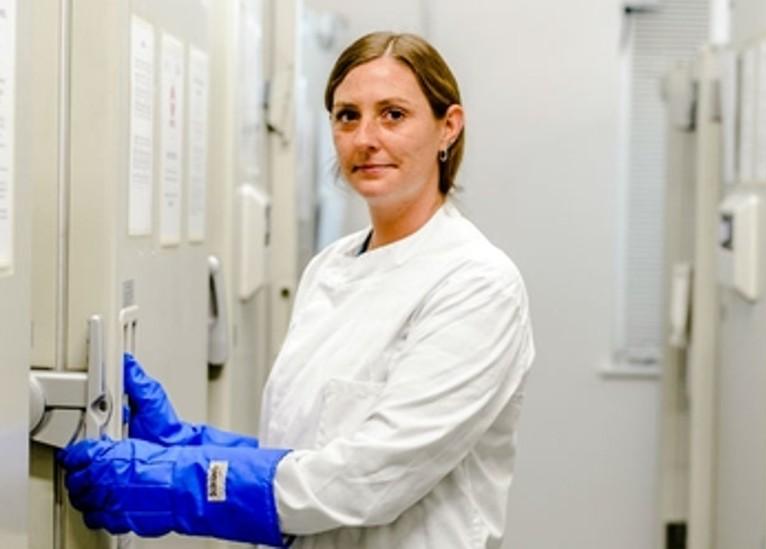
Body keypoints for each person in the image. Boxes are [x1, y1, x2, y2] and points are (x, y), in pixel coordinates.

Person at [59, 32, 535, 549]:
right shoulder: (330, 267)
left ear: (448, 128)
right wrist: (191, 445)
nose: (366, 137)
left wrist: (185, 484)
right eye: (347, 115)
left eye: (393, 114)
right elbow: (311, 451)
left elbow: (369, 476)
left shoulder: (477, 283)